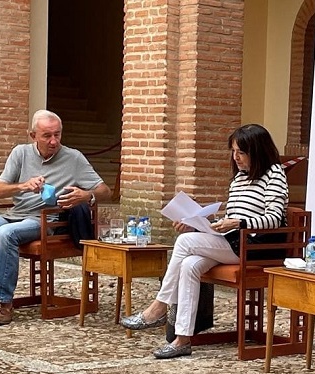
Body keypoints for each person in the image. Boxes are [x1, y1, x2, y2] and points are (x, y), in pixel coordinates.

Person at [121, 123, 289, 359]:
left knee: (185, 242)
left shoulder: (274, 174)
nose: (236, 158)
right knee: (190, 264)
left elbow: (274, 218)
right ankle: (182, 339)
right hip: (233, 240)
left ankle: (159, 307)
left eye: (241, 152)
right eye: (233, 151)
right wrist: (201, 221)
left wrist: (238, 223)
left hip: (255, 246)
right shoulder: (239, 179)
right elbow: (234, 216)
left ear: (257, 151)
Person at [0, 109, 112, 325]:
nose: (54, 141)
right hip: (14, 215)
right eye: (47, 135)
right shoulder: (20, 153)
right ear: (32, 135)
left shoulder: (74, 158)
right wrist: (23, 186)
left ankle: (3, 303)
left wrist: (87, 195)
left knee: (5, 234)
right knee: (2, 229)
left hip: (45, 221)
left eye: (57, 134)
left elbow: (106, 191)